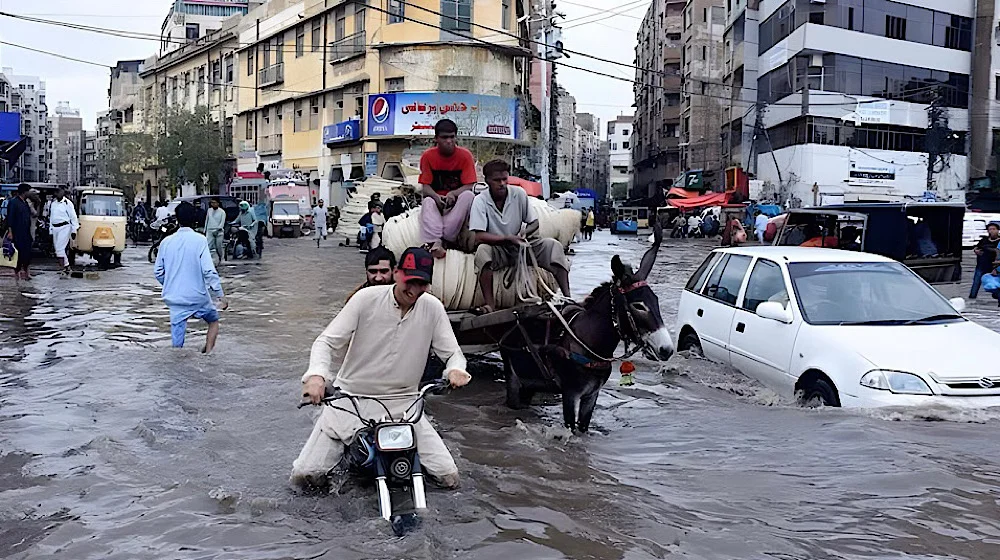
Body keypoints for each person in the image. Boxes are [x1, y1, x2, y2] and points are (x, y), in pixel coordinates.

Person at [292, 247, 471, 490]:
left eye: (422, 284)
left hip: (405, 406)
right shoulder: (365, 300)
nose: (414, 290)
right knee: (305, 476)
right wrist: (316, 376)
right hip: (351, 402)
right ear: (397, 274)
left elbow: (452, 353)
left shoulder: (432, 307)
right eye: (410, 281)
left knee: (448, 477)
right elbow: (326, 342)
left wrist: (455, 370)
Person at [470, 160, 571, 314]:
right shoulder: (480, 201)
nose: (502, 183)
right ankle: (490, 304)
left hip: (522, 245)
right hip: (498, 248)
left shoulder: (519, 194)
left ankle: (568, 298)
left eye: (505, 179)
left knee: (553, 247)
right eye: (497, 180)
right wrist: (508, 238)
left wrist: (524, 234)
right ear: (487, 181)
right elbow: (479, 236)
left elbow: (534, 223)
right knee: (483, 252)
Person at [154, 201, 228, 353]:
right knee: (213, 321)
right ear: (194, 220)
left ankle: (178, 368)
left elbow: (158, 272)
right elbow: (209, 271)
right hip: (198, 298)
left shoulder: (166, 243)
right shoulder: (200, 240)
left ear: (177, 220)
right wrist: (220, 296)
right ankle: (207, 355)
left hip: (175, 300)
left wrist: (171, 284)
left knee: (177, 347)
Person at [419, 119, 478, 259]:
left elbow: (470, 185)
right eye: (445, 137)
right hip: (437, 204)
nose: (449, 141)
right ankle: (436, 240)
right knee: (427, 201)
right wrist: (436, 197)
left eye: (452, 137)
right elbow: (425, 187)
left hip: (456, 205)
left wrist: (454, 194)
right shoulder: (428, 156)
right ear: (436, 139)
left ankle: (446, 236)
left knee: (468, 196)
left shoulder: (465, 156)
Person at [4, 184, 34, 280]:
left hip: (26, 232)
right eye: (28, 191)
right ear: (24, 192)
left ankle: (26, 272)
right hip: (17, 232)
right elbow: (10, 218)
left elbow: (32, 215)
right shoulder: (13, 202)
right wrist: (10, 232)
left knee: (27, 253)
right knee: (18, 254)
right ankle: (17, 273)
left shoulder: (25, 203)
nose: (30, 193)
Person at [48, 187, 79, 274]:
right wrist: (50, 230)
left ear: (63, 192)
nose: (57, 194)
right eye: (56, 192)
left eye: (59, 191)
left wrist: (74, 230)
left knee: (60, 249)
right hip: (55, 228)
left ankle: (64, 267)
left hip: (64, 227)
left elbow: (73, 217)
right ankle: (65, 266)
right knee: (57, 249)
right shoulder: (53, 204)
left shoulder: (67, 203)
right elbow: (52, 218)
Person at [970, 222, 1000, 299]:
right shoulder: (984, 240)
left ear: (998, 230)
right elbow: (976, 247)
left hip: (994, 266)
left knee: (995, 284)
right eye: (990, 229)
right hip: (981, 265)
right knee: (976, 283)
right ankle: (972, 298)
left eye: (994, 229)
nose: (992, 231)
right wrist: (976, 251)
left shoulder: (999, 242)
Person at [204, 198, 227, 265]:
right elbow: (207, 220)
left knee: (219, 246)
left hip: (219, 231)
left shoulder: (222, 212)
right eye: (212, 203)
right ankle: (209, 259)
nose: (213, 204)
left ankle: (222, 258)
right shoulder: (209, 210)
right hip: (210, 230)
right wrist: (205, 230)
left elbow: (222, 222)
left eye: (214, 203)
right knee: (209, 245)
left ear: (218, 203)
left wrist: (218, 229)